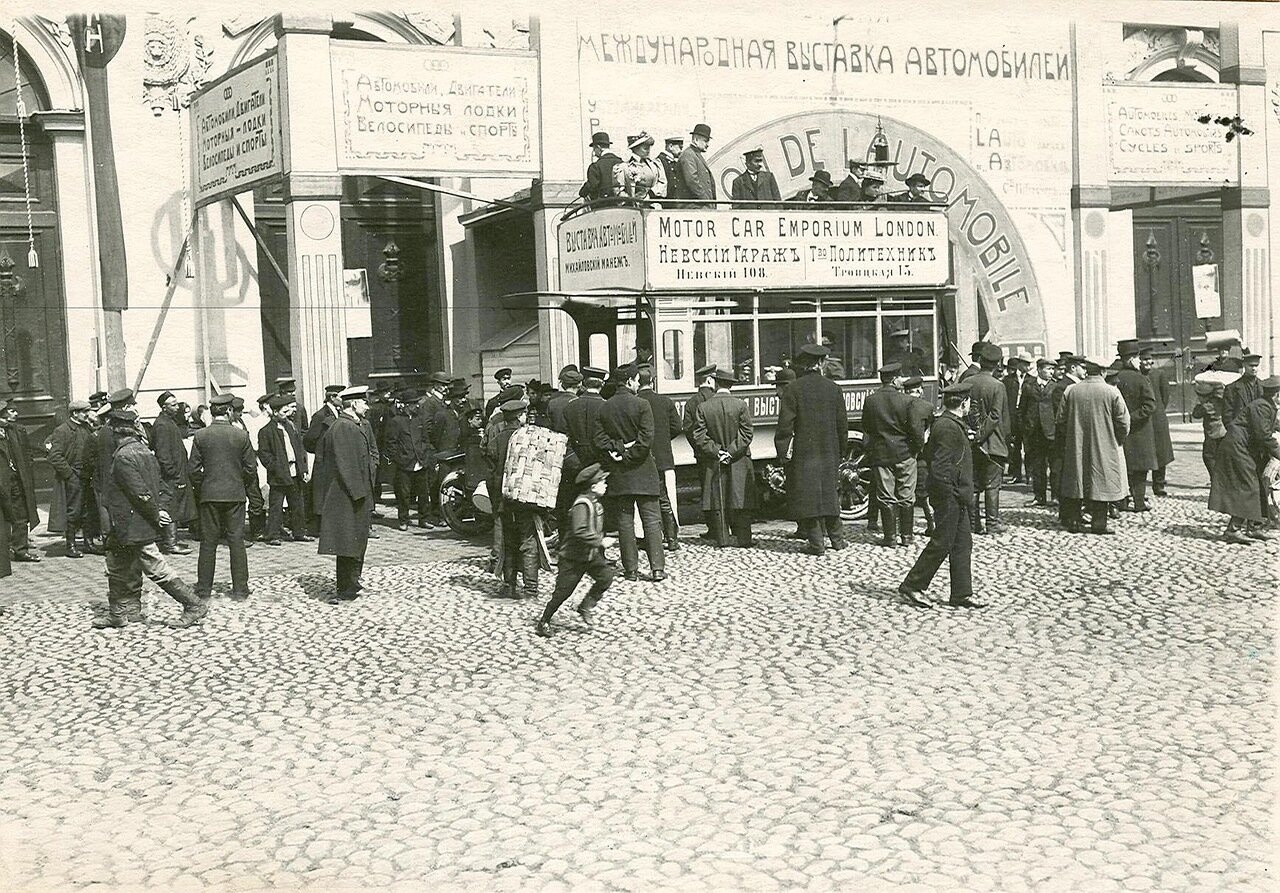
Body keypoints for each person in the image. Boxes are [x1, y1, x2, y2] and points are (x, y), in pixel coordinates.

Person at [96, 408, 208, 630]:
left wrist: (156, 514)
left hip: (131, 524)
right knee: (118, 565)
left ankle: (194, 605)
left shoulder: (122, 457)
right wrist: (160, 510)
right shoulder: (145, 452)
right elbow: (160, 485)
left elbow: (140, 493)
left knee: (155, 568)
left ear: (116, 432)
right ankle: (120, 614)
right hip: (133, 523)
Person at [897, 381, 983, 610]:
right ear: (964, 403)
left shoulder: (951, 423)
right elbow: (941, 467)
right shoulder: (947, 426)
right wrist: (952, 494)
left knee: (963, 543)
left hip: (958, 495)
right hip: (950, 496)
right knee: (941, 542)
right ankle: (913, 585)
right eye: (968, 403)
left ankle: (962, 593)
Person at [593, 365, 666, 582]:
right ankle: (657, 569)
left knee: (625, 522)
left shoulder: (604, 408)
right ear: (632, 380)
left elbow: (599, 439)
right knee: (651, 520)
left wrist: (618, 450)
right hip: (643, 471)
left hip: (619, 474)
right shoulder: (642, 404)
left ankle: (631, 570)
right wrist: (629, 453)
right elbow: (646, 439)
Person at [775, 344, 848, 555]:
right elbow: (841, 425)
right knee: (829, 493)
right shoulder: (833, 388)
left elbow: (785, 426)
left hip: (804, 453)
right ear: (820, 363)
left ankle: (817, 544)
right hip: (829, 451)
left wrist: (783, 453)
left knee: (808, 496)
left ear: (805, 365)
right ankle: (838, 540)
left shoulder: (793, 389)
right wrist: (840, 451)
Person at [187, 393, 257, 601]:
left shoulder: (201, 436)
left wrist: (205, 486)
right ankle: (240, 590)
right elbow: (251, 469)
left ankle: (204, 590)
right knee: (236, 541)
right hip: (235, 495)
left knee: (208, 543)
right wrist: (238, 482)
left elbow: (193, 470)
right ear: (228, 411)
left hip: (209, 495)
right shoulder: (241, 436)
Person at [536, 463, 615, 638]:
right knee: (563, 593)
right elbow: (580, 531)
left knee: (606, 577)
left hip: (590, 556)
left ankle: (585, 606)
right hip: (573, 558)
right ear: (594, 486)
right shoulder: (582, 504)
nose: (606, 485)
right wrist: (600, 541)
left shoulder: (595, 503)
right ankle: (544, 621)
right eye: (603, 482)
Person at [316, 386, 377, 602]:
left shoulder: (355, 424)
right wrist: (359, 492)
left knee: (356, 540)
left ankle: (353, 581)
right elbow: (345, 464)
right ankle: (345, 587)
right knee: (346, 542)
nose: (367, 407)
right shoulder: (342, 427)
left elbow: (369, 454)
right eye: (364, 403)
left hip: (358, 492)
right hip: (348, 495)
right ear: (354, 404)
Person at [1058, 359, 1131, 535]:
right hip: (1105, 444)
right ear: (1103, 372)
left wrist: (1071, 437)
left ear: (1087, 371)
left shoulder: (1071, 390)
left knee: (1077, 479)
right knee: (1101, 480)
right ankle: (1099, 523)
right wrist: (1117, 439)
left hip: (1076, 444)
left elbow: (1060, 420)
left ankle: (1074, 521)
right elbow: (1123, 421)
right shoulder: (1111, 392)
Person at [1209, 375, 1279, 543]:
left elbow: (1271, 424)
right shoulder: (1261, 407)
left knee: (1257, 484)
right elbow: (1263, 436)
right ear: (1276, 394)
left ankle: (1254, 527)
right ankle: (1232, 530)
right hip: (1237, 448)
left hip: (1243, 447)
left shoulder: (1267, 405)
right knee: (1248, 485)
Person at [690, 368, 755, 547]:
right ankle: (744, 539)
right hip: (739, 459)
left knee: (717, 498)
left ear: (716, 384)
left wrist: (718, 451)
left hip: (714, 460)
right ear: (731, 385)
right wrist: (731, 451)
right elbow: (747, 433)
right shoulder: (741, 405)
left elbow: (699, 436)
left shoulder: (704, 407)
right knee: (740, 497)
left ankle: (722, 539)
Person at [862, 363, 925, 548]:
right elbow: (915, 430)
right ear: (896, 379)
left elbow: (867, 427)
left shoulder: (871, 401)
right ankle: (907, 536)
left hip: (881, 454)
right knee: (906, 494)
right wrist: (915, 449)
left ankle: (890, 538)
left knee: (885, 495)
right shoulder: (907, 401)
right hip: (904, 453)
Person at [487, 399, 541, 599]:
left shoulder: (498, 440)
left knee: (508, 542)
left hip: (504, 500)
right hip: (525, 499)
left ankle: (509, 585)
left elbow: (492, 472)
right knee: (528, 542)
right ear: (519, 417)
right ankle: (530, 588)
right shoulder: (529, 437)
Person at [636, 366, 683, 551]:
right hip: (663, 457)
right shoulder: (665, 401)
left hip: (641, 458)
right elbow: (677, 427)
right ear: (653, 381)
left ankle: (643, 538)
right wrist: (663, 440)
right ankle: (672, 538)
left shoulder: (635, 402)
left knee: (642, 499)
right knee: (666, 498)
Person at [966, 343, 1010, 534]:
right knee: (992, 484)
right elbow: (995, 416)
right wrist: (981, 435)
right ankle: (992, 523)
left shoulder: (969, 381)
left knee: (974, 484)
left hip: (972, 441)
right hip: (992, 442)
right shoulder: (997, 385)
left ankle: (974, 523)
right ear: (997, 364)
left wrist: (973, 434)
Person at [257, 394, 311, 545]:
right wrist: (275, 467)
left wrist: (304, 469)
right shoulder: (266, 431)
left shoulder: (290, 427)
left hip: (295, 471)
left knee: (297, 504)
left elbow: (299, 450)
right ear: (275, 412)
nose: (286, 414)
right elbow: (264, 454)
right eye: (283, 412)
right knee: (276, 505)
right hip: (279, 474)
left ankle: (299, 532)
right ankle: (273, 535)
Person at [1113, 339, 1158, 513]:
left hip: (1119, 429)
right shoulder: (1141, 378)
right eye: (1138, 358)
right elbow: (1150, 405)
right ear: (1132, 359)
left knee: (1124, 466)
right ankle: (1139, 502)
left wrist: (1122, 420)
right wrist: (1131, 418)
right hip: (1139, 431)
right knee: (1140, 468)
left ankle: (1123, 502)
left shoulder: (1114, 377)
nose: (1140, 361)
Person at [149, 390, 195, 555]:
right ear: (164, 407)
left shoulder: (169, 422)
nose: (177, 407)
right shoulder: (162, 425)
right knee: (170, 506)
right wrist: (172, 472)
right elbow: (162, 453)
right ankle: (170, 543)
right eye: (173, 404)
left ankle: (171, 541)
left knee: (174, 505)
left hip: (176, 472)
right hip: (171, 475)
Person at [48, 399, 95, 558]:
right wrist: (70, 475)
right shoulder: (62, 431)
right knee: (73, 511)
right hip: (74, 476)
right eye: (84, 412)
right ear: (75, 413)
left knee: (88, 510)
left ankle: (89, 543)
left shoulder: (87, 428)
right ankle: (71, 545)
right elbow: (55, 456)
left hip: (87, 476)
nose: (88, 415)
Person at [681, 364, 719, 539]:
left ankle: (713, 528)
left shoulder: (692, 402)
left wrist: (699, 448)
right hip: (723, 452)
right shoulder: (720, 398)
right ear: (711, 380)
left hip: (703, 454)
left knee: (707, 489)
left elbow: (688, 430)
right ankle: (726, 527)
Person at [0, 399, 40, 563]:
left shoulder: (17, 431)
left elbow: (27, 453)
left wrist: (26, 468)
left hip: (16, 481)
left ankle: (20, 550)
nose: (16, 413)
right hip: (2, 482)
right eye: (11, 411)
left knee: (21, 515)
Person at [903, 376, 937, 537]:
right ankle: (932, 524)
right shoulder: (927, 406)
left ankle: (904, 530)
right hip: (922, 453)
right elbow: (931, 428)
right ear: (919, 390)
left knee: (903, 490)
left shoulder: (900, 405)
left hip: (903, 452)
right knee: (923, 490)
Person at [1020, 358, 1057, 506]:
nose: (1051, 372)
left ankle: (1055, 496)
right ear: (1040, 369)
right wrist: (1025, 428)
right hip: (1034, 432)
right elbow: (1022, 410)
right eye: (1048, 369)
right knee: (1038, 467)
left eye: (1052, 369)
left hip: (1051, 432)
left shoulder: (1055, 387)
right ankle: (1039, 497)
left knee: (1055, 467)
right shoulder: (1029, 387)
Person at [1140, 348, 1176, 497]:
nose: (1148, 362)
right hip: (1144, 420)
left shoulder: (1159, 374)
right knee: (1144, 452)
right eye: (1144, 360)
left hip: (1158, 419)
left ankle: (1159, 484)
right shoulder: (1137, 376)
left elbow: (1165, 396)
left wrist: (1158, 411)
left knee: (1161, 452)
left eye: (1149, 360)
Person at [1192, 374, 1231, 478]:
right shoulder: (1220, 401)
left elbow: (1196, 414)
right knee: (1220, 458)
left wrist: (1199, 403)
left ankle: (1216, 479)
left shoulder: (1208, 405)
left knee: (1208, 457)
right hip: (1223, 433)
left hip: (1213, 435)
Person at [615, 132, 667, 201]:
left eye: (649, 148)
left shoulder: (655, 165)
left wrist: (650, 194)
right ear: (635, 149)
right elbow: (618, 190)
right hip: (633, 206)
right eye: (645, 148)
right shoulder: (623, 167)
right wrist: (631, 199)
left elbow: (662, 183)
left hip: (652, 203)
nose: (648, 151)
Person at [675, 123, 716, 207]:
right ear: (696, 139)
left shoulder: (695, 154)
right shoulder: (688, 155)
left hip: (700, 206)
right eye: (705, 141)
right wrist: (706, 201)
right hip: (693, 207)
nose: (708, 144)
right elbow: (692, 181)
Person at [1002, 356, 1029, 484]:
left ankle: (1029, 475)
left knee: (1029, 446)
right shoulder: (1008, 380)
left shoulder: (1031, 379)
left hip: (1026, 417)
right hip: (1013, 417)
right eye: (1025, 364)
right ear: (1020, 364)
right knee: (1015, 447)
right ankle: (1016, 474)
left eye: (1029, 364)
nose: (1027, 367)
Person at [579, 131, 622, 202]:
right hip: (621, 205)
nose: (594, 152)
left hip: (602, 206)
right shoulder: (621, 162)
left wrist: (582, 193)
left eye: (594, 149)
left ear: (598, 147)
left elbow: (592, 186)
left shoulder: (595, 166)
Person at [1224, 350, 1263, 424]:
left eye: (1256, 365)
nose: (1254, 368)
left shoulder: (1264, 387)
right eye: (1251, 365)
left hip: (1260, 430)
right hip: (1241, 430)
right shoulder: (1232, 388)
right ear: (1244, 365)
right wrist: (1234, 431)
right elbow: (1227, 415)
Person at [546, 366, 581, 434]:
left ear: (563, 385)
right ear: (579, 385)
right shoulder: (579, 402)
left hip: (556, 441)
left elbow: (549, 424)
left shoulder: (552, 402)